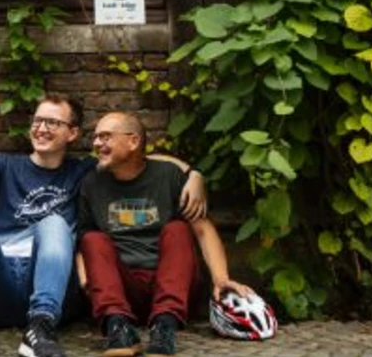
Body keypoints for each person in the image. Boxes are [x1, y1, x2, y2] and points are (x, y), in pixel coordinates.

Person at [0, 84, 206, 357]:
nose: (41, 128)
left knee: (54, 223)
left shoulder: (83, 172)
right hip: (0, 285)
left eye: (52, 123)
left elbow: (139, 158)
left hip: (51, 288)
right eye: (37, 121)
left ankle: (41, 329)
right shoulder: (4, 167)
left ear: (73, 134)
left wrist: (193, 174)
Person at [77, 112, 254, 357]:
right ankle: (118, 328)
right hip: (120, 288)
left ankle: (165, 327)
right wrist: (86, 279)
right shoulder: (91, 183)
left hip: (171, 285)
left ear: (133, 141)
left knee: (178, 229)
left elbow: (202, 229)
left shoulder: (168, 176)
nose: (96, 143)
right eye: (95, 137)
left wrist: (221, 279)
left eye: (105, 137)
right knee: (92, 238)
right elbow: (85, 242)